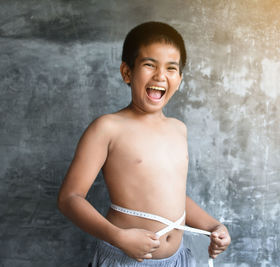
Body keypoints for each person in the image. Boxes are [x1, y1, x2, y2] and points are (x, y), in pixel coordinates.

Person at [57, 21, 230, 266]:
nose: (160, 75)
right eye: (150, 65)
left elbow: (174, 198)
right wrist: (118, 237)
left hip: (178, 258)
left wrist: (213, 225)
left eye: (171, 68)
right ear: (127, 72)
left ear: (179, 79)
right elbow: (69, 198)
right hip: (127, 258)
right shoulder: (107, 128)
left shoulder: (178, 129)